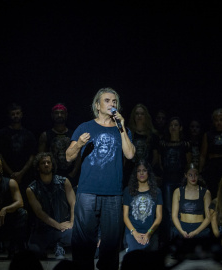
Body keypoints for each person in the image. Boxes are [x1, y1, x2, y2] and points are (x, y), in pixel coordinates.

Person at [66, 87, 135, 270]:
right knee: (83, 241)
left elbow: (129, 155)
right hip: (87, 192)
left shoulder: (122, 129)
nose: (112, 104)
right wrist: (79, 144)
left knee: (111, 242)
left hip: (113, 193)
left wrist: (121, 127)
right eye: (107, 100)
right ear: (97, 105)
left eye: (114, 101)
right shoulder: (85, 127)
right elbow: (68, 156)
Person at [26, 152, 75, 260]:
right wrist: (57, 225)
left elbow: (73, 203)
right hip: (44, 229)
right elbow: (39, 212)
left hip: (64, 226)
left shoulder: (64, 182)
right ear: (38, 167)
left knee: (78, 235)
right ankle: (49, 246)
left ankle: (59, 246)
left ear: (52, 165)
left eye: (49, 162)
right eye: (43, 163)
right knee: (34, 250)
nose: (46, 164)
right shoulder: (31, 189)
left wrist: (72, 222)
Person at [158, 116, 191, 247]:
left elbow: (189, 164)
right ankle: (168, 240)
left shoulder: (185, 144)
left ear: (180, 127)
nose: (173, 127)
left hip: (181, 180)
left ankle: (180, 240)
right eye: (171, 125)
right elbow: (160, 163)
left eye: (176, 125)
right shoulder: (163, 143)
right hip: (167, 179)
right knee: (168, 210)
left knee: (181, 209)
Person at [0, 103, 37, 203]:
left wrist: (21, 173)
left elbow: (33, 155)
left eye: (17, 113)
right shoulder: (2, 133)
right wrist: (12, 174)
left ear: (21, 114)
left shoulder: (29, 134)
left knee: (26, 201)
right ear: (9, 116)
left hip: (25, 176)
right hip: (6, 175)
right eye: (13, 114)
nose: (15, 116)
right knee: (7, 201)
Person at [171, 163, 211, 256]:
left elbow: (208, 217)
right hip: (182, 228)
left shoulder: (205, 192)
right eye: (190, 174)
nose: (193, 177)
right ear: (185, 175)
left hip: (199, 229)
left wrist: (195, 232)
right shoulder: (178, 191)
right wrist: (182, 231)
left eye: (196, 174)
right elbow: (174, 216)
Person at [123, 159, 162, 252]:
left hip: (150, 231)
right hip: (132, 232)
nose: (141, 173)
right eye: (139, 171)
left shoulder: (157, 191)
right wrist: (134, 233)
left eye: (144, 170)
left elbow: (159, 217)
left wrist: (149, 233)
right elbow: (125, 216)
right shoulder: (128, 190)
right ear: (135, 174)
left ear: (148, 172)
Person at [38, 103, 80, 188]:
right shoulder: (45, 135)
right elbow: (40, 157)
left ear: (66, 115)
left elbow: (79, 155)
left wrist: (74, 172)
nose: (59, 115)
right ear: (52, 115)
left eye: (62, 113)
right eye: (57, 113)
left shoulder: (74, 134)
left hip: (70, 174)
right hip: (52, 176)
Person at [124, 104, 160, 187]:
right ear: (133, 116)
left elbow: (155, 157)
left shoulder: (153, 135)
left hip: (147, 173)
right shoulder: (128, 133)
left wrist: (149, 171)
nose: (139, 116)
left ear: (146, 116)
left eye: (142, 114)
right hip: (130, 173)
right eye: (137, 113)